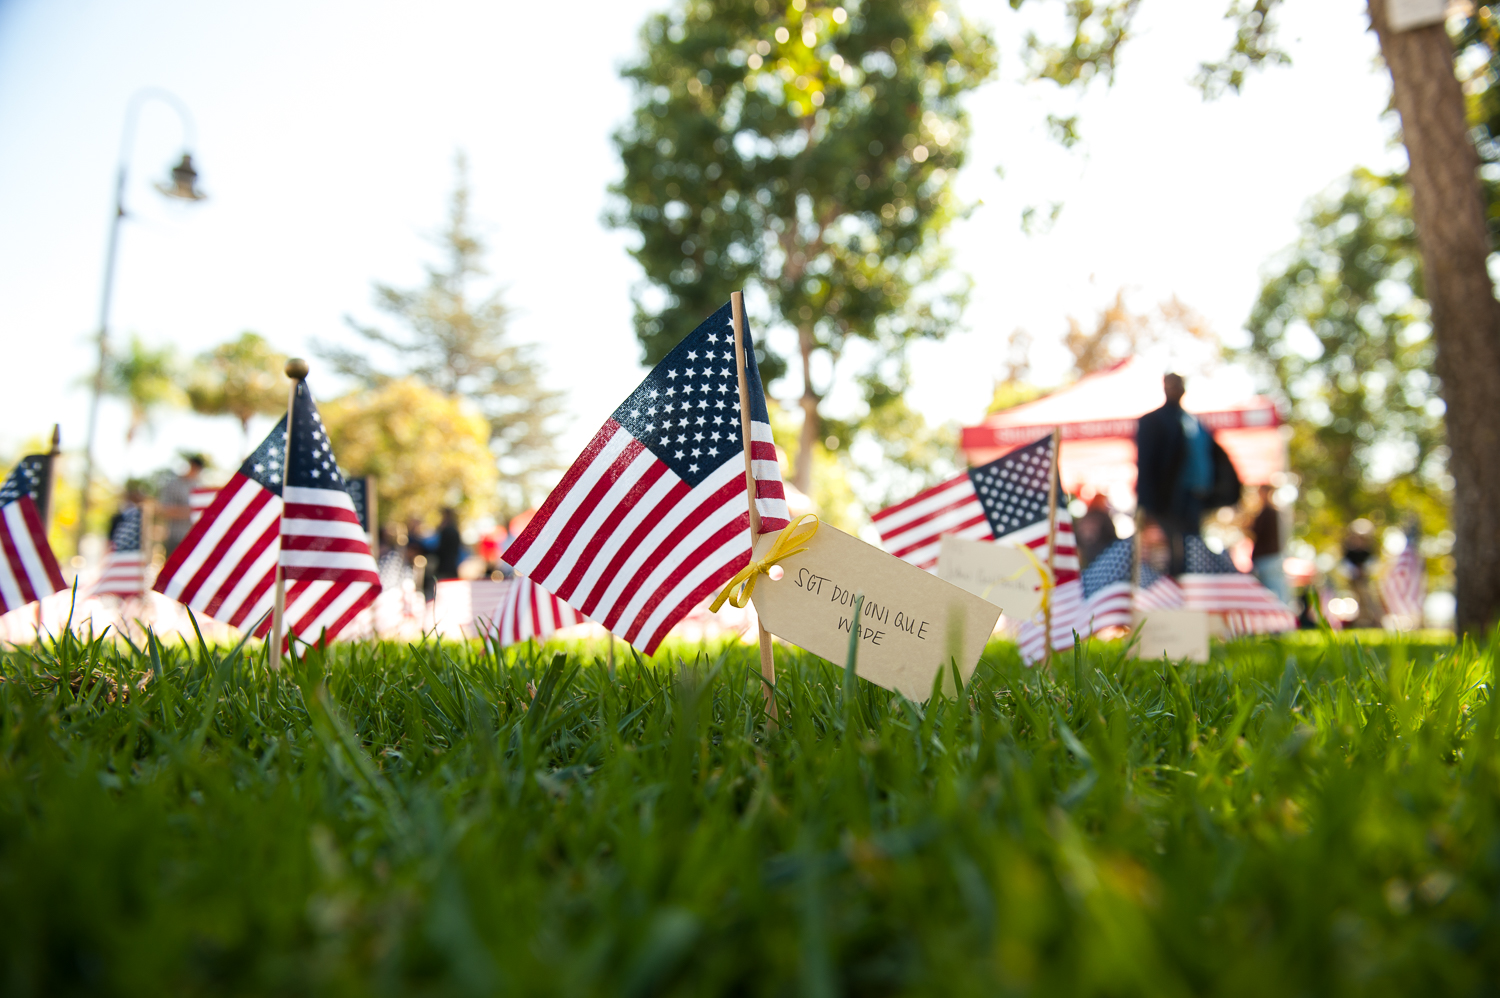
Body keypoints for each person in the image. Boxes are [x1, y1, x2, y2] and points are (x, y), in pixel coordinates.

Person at [1135, 373, 1239, 575]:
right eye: (1171, 384)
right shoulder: (1153, 421)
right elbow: (1146, 464)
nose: (1175, 388)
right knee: (1171, 551)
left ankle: (1189, 587)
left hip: (1195, 499)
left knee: (1192, 548)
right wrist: (1146, 506)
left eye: (1179, 384)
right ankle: (1174, 590)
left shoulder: (1196, 423)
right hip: (1167, 500)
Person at [157, 454, 207, 554]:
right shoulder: (173, 485)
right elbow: (164, 510)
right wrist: (192, 512)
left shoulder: (201, 487)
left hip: (196, 539)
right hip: (176, 537)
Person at [1249, 484, 1288, 604]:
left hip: (1268, 559)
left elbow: (1256, 532)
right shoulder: (1269, 512)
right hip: (1267, 558)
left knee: (1273, 591)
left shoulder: (1269, 512)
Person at [1074, 492, 1118, 569]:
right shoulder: (1104, 518)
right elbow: (1113, 536)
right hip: (1102, 556)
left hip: (1086, 556)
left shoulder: (1085, 517)